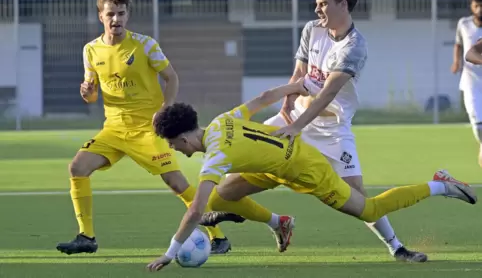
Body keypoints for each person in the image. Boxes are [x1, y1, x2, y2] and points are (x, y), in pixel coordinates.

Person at [201, 0, 426, 262]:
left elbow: (327, 95)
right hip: (294, 119)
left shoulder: (354, 46)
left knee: (357, 196)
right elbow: (299, 75)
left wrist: (296, 126)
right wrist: (287, 104)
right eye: (316, 4)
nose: (317, 9)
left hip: (331, 130)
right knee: (228, 189)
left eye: (323, 4)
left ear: (342, 4)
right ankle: (278, 223)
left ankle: (397, 248)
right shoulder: (311, 30)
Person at [146, 78, 477, 271]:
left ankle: (440, 185)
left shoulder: (216, 156)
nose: (177, 150)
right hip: (273, 164)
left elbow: (194, 209)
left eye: (175, 144)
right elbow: (262, 99)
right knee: (222, 197)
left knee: (370, 209)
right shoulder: (220, 121)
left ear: (186, 138)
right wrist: (299, 84)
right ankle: (280, 223)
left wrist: (171, 252)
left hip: (305, 169)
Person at [55, 0, 231, 255]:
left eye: (121, 14)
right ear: (100, 16)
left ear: (128, 15)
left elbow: (172, 78)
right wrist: (88, 93)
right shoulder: (90, 50)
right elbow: (91, 95)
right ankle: (86, 237)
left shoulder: (145, 44)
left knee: (177, 184)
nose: (117, 19)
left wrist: (165, 110)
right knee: (77, 168)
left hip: (147, 129)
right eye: (111, 14)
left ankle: (218, 237)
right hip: (113, 130)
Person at [452, 0, 482, 167]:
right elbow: (465, 49)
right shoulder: (464, 24)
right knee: (478, 124)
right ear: (471, 6)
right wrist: (456, 62)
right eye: (476, 5)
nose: (479, 9)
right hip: (471, 80)